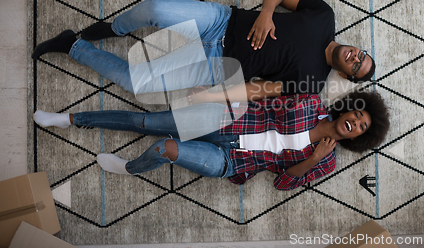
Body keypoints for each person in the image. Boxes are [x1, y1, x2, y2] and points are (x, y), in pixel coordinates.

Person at [31, 0, 375, 102]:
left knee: (137, 82)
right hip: (223, 20)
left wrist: (213, 95)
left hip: (217, 65)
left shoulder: (312, 83)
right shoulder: (324, 17)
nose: (356, 57)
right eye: (362, 54)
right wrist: (267, 12)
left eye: (357, 65)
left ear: (347, 75)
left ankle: (73, 46)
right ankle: (117, 29)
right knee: (156, 9)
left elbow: (259, 91)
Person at [33, 91, 389, 191]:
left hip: (232, 162)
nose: (354, 124)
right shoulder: (311, 104)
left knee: (165, 149)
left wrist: (311, 161)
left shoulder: (326, 163)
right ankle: (70, 119)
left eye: (360, 128)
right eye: (357, 116)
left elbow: (281, 182)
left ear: (358, 138)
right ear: (347, 111)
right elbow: (264, 102)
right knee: (146, 122)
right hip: (224, 122)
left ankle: (130, 168)